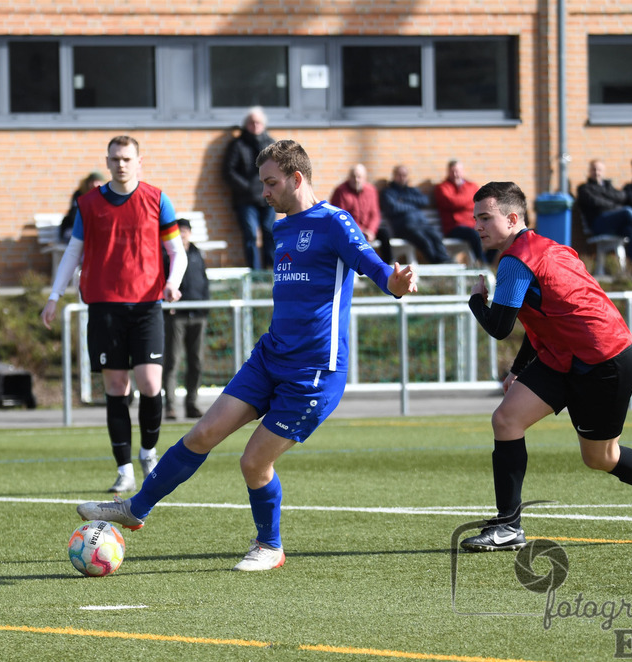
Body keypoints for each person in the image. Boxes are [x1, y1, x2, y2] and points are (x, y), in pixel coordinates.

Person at [76, 140, 418, 571]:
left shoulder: (334, 222)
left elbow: (373, 265)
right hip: (269, 358)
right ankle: (136, 508)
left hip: (314, 372)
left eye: (271, 183)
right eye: (262, 183)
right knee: (202, 434)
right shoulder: (281, 226)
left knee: (254, 460)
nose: (264, 193)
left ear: (297, 178)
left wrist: (396, 281)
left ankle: (269, 546)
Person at [460, 181, 632, 552]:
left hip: (604, 362)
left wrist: (476, 302)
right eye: (476, 218)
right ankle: (508, 526)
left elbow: (500, 328)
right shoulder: (545, 247)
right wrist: (519, 369)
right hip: (565, 356)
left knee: (600, 458)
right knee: (506, 420)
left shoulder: (514, 262)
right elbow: (542, 318)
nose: (478, 225)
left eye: (486, 217)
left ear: (512, 218)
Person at [40, 136, 188, 493]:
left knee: (152, 385)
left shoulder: (157, 199)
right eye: (115, 159)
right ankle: (124, 469)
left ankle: (148, 452)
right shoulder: (89, 204)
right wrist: (54, 295)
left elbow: (177, 252)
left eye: (126, 158)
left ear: (139, 161)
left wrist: (173, 282)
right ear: (107, 162)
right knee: (116, 388)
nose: (120, 164)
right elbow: (73, 253)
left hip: (147, 305)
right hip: (105, 307)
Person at [163, 218, 210, 421]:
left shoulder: (197, 254)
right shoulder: (168, 256)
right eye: (179, 231)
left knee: (196, 362)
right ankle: (170, 407)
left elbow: (204, 281)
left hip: (198, 314)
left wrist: (205, 306)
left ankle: (191, 403)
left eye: (185, 231)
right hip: (177, 316)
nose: (182, 235)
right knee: (172, 361)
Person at [576, 159, 632, 265]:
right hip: (598, 224)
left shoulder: (608, 186)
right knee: (627, 211)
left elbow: (622, 196)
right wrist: (614, 203)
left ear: (603, 171)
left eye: (599, 170)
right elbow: (596, 202)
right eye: (594, 169)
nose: (597, 172)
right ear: (589, 171)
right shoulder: (584, 188)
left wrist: (604, 194)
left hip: (613, 224)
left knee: (631, 230)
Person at [222, 107, 276, 270]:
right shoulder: (237, 145)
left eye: (258, 122)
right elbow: (228, 172)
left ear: (263, 124)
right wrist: (247, 187)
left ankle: (272, 270)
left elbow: (278, 169)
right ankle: (255, 272)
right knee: (250, 235)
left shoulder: (270, 143)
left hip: (269, 198)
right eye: (252, 122)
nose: (255, 125)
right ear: (246, 124)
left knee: (270, 232)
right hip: (245, 199)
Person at [380, 164, 452, 264]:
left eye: (404, 175)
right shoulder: (388, 192)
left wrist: (404, 200)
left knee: (435, 236)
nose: (402, 177)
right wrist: (414, 205)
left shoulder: (412, 190)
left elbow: (424, 201)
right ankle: (437, 263)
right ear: (394, 176)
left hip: (421, 224)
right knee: (424, 240)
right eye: (399, 175)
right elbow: (394, 208)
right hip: (404, 227)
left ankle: (445, 260)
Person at [329, 164, 391, 262]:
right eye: (353, 177)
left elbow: (375, 214)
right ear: (349, 177)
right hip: (349, 228)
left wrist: (371, 231)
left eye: (359, 177)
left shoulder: (371, 190)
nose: (356, 180)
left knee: (385, 234)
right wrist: (360, 230)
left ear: (364, 178)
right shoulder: (341, 191)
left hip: (368, 230)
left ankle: (388, 268)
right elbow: (340, 216)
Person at [434, 159, 487, 264]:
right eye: (452, 171)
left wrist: (461, 199)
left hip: (473, 224)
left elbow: (481, 201)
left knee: (494, 232)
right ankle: (483, 263)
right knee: (474, 235)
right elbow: (453, 202)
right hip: (454, 228)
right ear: (448, 172)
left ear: (462, 171)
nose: (455, 174)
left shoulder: (471, 186)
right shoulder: (442, 187)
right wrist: (469, 199)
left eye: (457, 171)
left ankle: (489, 261)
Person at [60, 171, 105, 243]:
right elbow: (74, 214)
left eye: (97, 182)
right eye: (92, 182)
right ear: (88, 183)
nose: (94, 184)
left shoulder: (104, 195)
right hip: (74, 227)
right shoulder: (80, 194)